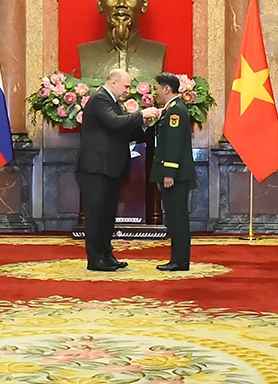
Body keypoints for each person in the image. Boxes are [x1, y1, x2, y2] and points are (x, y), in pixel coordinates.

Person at [77, 69, 158, 272]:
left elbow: (122, 131)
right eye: (126, 86)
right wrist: (140, 114)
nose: (128, 91)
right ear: (113, 83)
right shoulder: (99, 100)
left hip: (110, 168)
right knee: (96, 215)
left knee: (107, 214)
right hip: (96, 168)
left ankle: (106, 254)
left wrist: (144, 125)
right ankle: (95, 259)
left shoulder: (112, 102)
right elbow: (114, 122)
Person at [147, 72, 196, 272]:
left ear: (167, 89)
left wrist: (169, 173)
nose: (155, 92)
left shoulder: (176, 111)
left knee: (177, 218)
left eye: (157, 88)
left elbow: (174, 145)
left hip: (175, 175)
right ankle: (177, 259)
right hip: (173, 174)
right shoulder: (170, 110)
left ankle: (180, 261)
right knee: (175, 217)